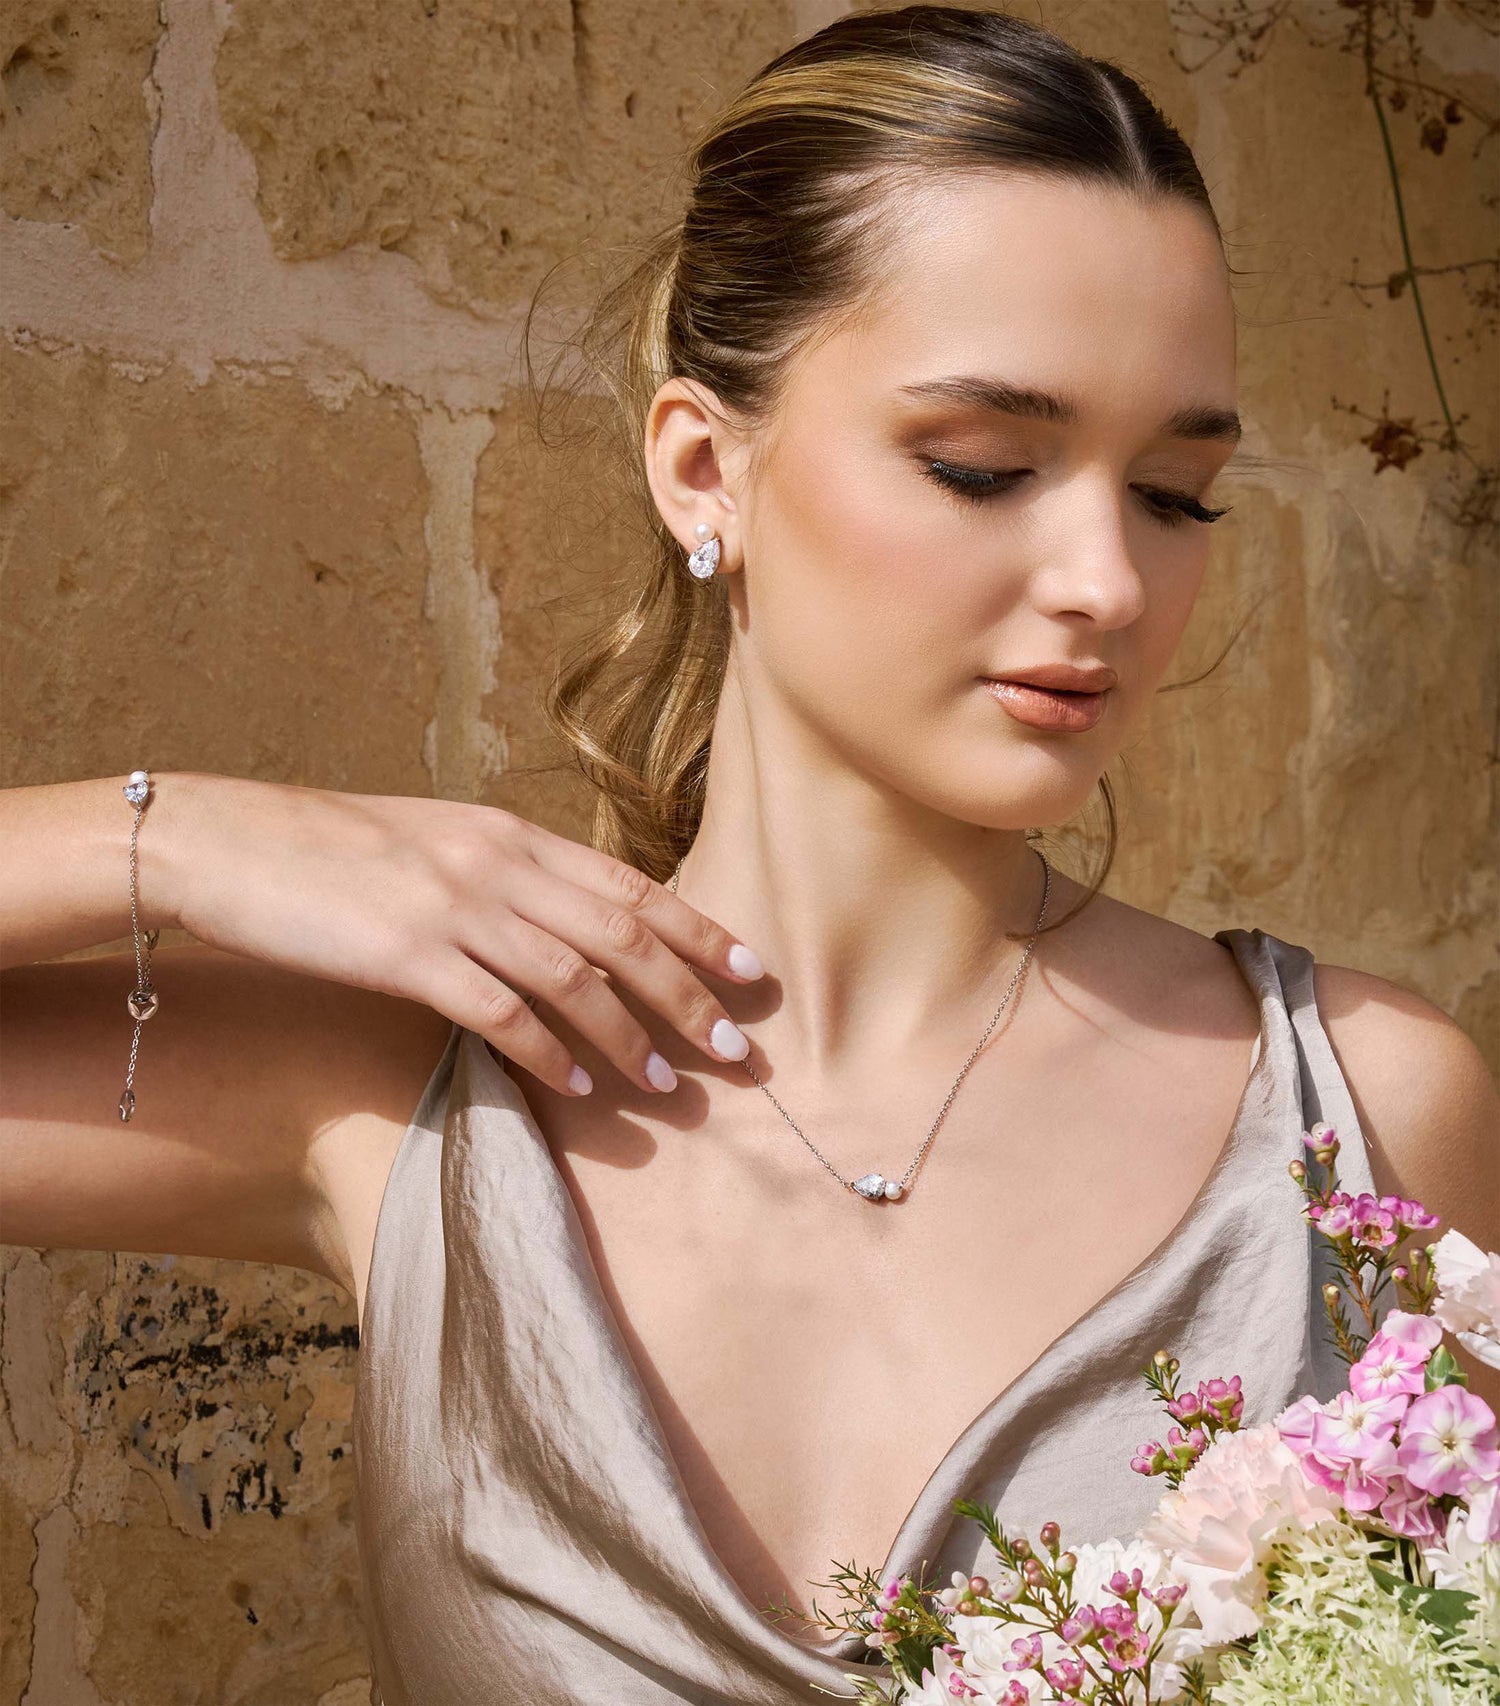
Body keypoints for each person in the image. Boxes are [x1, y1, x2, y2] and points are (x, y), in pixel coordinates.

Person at [3, 7, 1495, 1704]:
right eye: (985, 467)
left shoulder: (1361, 1118)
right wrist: (183, 835)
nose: (1106, 579)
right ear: (704, 468)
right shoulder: (411, 1094)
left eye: (1174, 493)